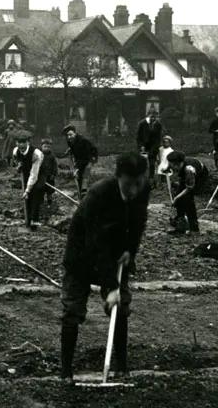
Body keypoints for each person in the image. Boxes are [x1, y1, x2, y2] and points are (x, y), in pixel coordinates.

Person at [59, 152, 150, 384]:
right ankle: (66, 372)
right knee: (73, 309)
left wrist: (131, 249)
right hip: (82, 253)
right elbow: (95, 244)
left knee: (120, 306)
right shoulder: (98, 195)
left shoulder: (143, 190)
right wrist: (110, 286)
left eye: (138, 184)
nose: (133, 190)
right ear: (118, 177)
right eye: (128, 184)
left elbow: (139, 222)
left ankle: (122, 367)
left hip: (117, 252)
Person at [12, 130, 45, 230]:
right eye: (19, 142)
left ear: (28, 142)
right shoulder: (15, 151)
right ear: (16, 142)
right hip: (26, 171)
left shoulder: (36, 154)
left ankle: (34, 221)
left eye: (24, 142)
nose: (21, 145)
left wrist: (27, 190)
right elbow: (16, 161)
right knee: (27, 197)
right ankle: (28, 220)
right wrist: (18, 166)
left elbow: (34, 174)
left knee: (35, 192)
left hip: (39, 173)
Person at [166, 151, 201, 234]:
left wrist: (176, 198)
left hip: (200, 177)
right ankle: (181, 224)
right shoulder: (177, 164)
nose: (172, 167)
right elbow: (169, 166)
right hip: (186, 176)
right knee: (179, 197)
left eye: (173, 165)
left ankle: (194, 228)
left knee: (188, 199)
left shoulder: (189, 170)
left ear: (178, 163)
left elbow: (189, 188)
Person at [61, 125, 99, 198]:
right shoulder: (70, 140)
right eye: (67, 135)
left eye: (70, 134)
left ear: (75, 133)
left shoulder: (83, 141)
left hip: (89, 158)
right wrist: (70, 150)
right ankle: (81, 195)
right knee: (79, 177)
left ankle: (84, 193)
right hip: (80, 159)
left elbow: (91, 151)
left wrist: (90, 162)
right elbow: (72, 147)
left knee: (85, 175)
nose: (69, 137)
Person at [135, 111, 164, 184]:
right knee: (142, 162)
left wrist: (155, 148)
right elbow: (138, 137)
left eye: (155, 116)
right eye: (151, 116)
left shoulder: (158, 124)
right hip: (143, 146)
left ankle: (151, 178)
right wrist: (141, 146)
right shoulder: (142, 123)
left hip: (153, 146)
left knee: (152, 162)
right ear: (147, 116)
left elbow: (158, 138)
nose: (153, 118)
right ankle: (141, 177)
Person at [40, 139, 59, 209]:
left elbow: (55, 166)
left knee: (49, 191)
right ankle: (41, 202)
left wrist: (53, 175)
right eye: (45, 146)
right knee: (40, 190)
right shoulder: (39, 155)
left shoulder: (52, 156)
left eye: (48, 147)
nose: (46, 148)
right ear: (41, 147)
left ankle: (49, 202)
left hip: (49, 177)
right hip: (41, 177)